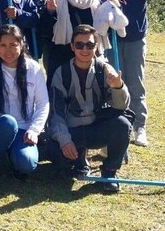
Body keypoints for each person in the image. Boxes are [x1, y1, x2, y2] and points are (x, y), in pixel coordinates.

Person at [94, 0, 165, 147]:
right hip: (110, 42)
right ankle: (116, 125)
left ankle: (139, 127)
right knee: (112, 82)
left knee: (135, 83)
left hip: (135, 40)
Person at [47, 25, 131, 193]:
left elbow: (122, 106)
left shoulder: (105, 69)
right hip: (72, 131)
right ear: (72, 46)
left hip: (96, 128)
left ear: (96, 45)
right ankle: (78, 158)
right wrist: (65, 141)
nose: (84, 50)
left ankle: (109, 172)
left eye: (89, 45)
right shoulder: (61, 73)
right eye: (79, 45)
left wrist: (117, 87)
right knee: (54, 154)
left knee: (122, 124)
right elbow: (56, 114)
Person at [0, 25, 50, 188]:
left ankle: (14, 156)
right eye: (3, 45)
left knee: (27, 164)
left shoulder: (33, 69)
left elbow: (43, 103)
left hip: (23, 129)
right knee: (8, 123)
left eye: (13, 45)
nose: (8, 50)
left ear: (22, 45)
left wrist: (34, 130)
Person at [42, 0, 126, 86]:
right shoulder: (57, 3)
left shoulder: (98, 4)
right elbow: (44, 30)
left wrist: (113, 6)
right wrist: (50, 12)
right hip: (62, 58)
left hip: (90, 55)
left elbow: (109, 26)